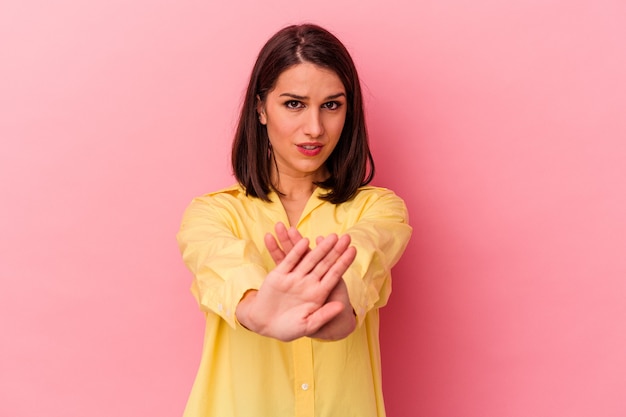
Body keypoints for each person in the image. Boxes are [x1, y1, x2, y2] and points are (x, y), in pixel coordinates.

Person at [177, 23, 412, 417]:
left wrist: (340, 308)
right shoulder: (213, 215)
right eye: (294, 104)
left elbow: (367, 252)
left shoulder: (380, 209)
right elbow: (219, 262)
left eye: (332, 105)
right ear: (260, 108)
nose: (315, 128)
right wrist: (257, 310)